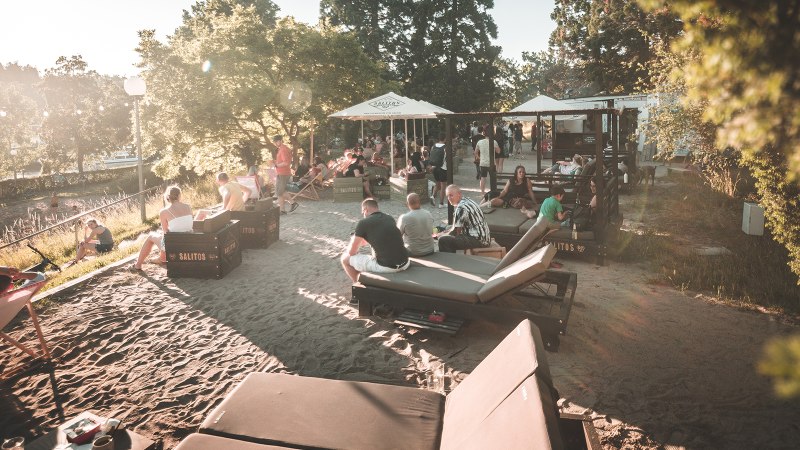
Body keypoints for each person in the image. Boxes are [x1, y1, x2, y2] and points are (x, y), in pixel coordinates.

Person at [341, 199, 410, 288]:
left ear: (365, 210)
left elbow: (351, 252)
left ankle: (357, 287)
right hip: (405, 262)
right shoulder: (389, 217)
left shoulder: (363, 223)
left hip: (388, 267)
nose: (363, 215)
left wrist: (353, 238)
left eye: (363, 212)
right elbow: (378, 238)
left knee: (345, 259)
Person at [131, 185, 194, 271]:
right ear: (179, 195)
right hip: (190, 242)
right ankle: (162, 259)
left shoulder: (164, 211)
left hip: (174, 246)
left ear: (168, 197)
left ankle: (137, 265)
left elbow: (166, 232)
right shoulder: (188, 206)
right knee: (165, 237)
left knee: (151, 236)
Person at [438, 185, 491, 253]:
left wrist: (441, 235)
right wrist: (444, 231)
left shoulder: (461, 208)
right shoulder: (467, 200)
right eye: (447, 196)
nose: (449, 198)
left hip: (479, 241)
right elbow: (456, 227)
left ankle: (450, 261)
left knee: (443, 240)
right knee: (447, 228)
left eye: (451, 195)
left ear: (459, 194)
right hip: (484, 238)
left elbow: (456, 232)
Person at [273, 135, 299, 214]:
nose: (274, 143)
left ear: (280, 141)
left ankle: (285, 208)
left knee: (280, 192)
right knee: (279, 191)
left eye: (275, 141)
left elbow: (286, 162)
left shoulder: (283, 149)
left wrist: (276, 165)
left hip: (283, 173)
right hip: (281, 173)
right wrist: (275, 162)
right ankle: (288, 206)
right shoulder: (281, 149)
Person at [475, 129, 502, 198]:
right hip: (491, 163)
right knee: (493, 179)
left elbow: (475, 152)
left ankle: (482, 193)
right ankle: (493, 193)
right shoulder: (494, 142)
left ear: (484, 134)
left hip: (483, 163)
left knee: (483, 178)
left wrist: (479, 158)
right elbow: (498, 151)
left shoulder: (480, 142)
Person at [429, 133, 448, 208]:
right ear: (445, 139)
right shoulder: (445, 147)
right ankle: (441, 203)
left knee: (437, 184)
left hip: (434, 168)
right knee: (443, 186)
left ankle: (433, 196)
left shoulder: (433, 146)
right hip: (443, 168)